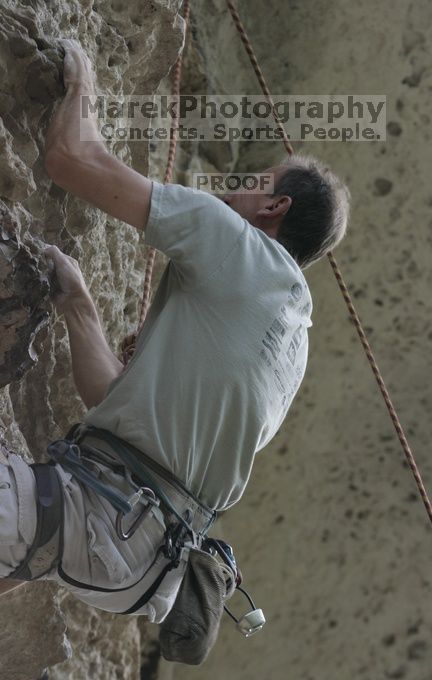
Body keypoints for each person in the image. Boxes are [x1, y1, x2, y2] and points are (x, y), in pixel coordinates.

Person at [0, 41, 350, 618]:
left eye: (256, 180)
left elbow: (72, 160)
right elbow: (116, 409)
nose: (237, 187)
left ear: (274, 206)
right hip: (137, 565)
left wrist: (84, 84)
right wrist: (79, 306)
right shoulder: (292, 347)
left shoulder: (239, 244)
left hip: (96, 508)